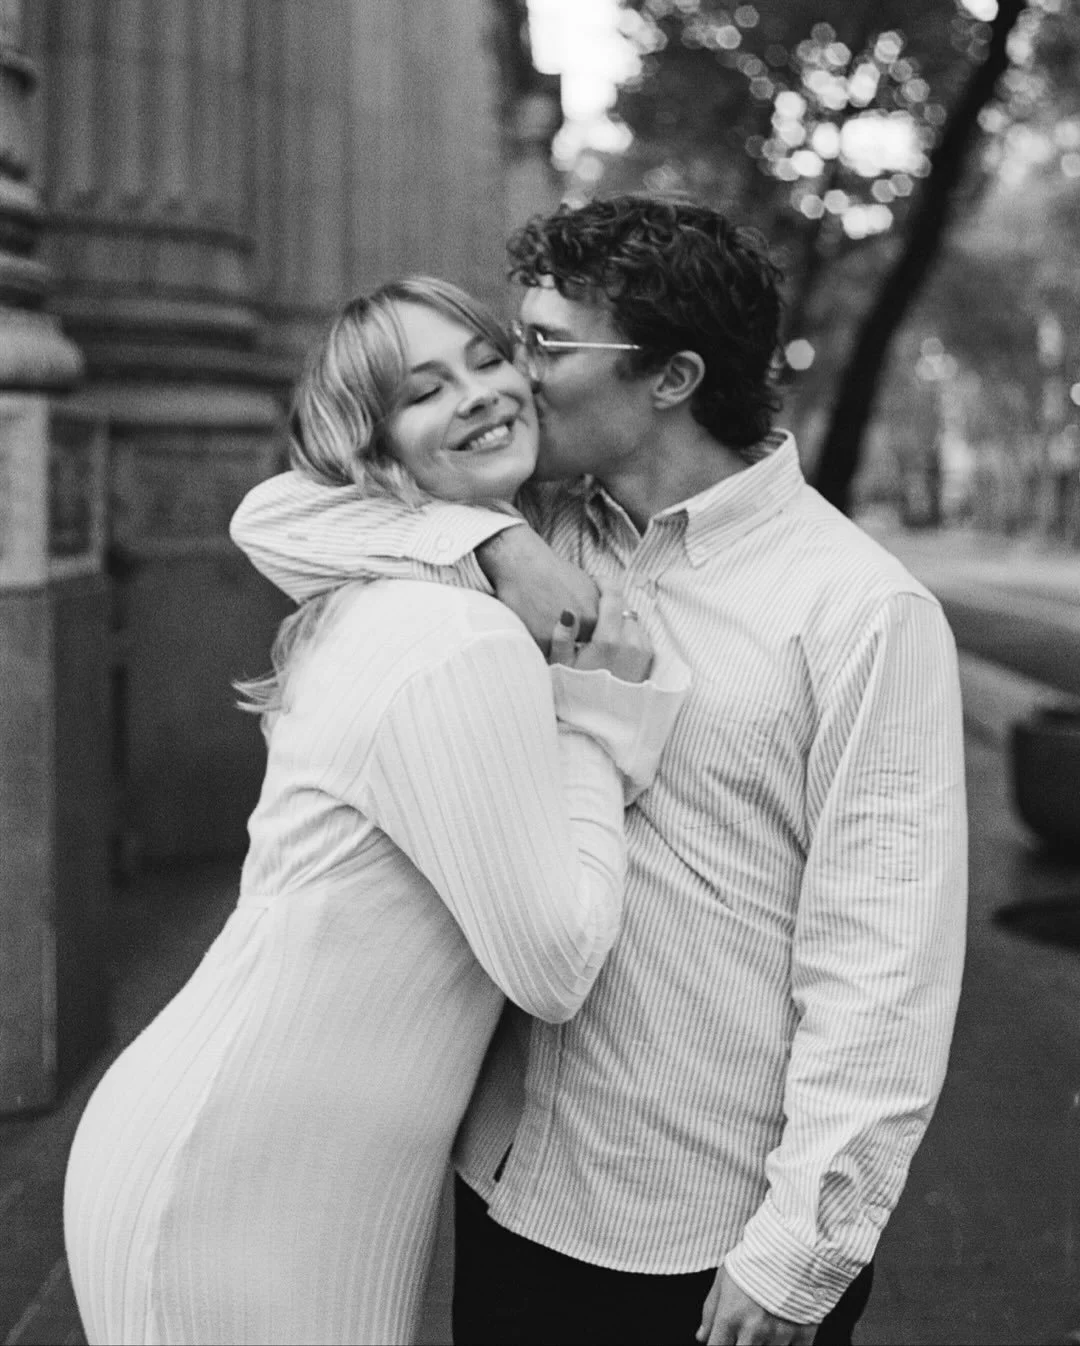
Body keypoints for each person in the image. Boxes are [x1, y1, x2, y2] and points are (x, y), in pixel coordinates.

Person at [230, 196, 969, 1346]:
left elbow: (885, 959)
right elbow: (276, 516)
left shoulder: (862, 609)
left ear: (670, 377)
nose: (512, 380)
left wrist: (800, 1250)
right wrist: (491, 543)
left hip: (702, 1228)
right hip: (509, 1178)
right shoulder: (530, 521)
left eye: (540, 345)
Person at [62, 276, 689, 1346]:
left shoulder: (428, 580)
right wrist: (597, 720)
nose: (482, 394)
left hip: (295, 1168)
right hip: (240, 1179)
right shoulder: (459, 636)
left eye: (489, 359)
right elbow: (554, 961)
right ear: (378, 450)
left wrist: (490, 539)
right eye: (423, 389)